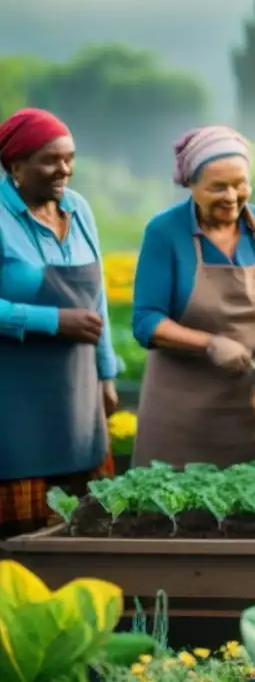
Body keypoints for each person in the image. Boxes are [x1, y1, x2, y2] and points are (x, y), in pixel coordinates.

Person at [131, 125, 255, 469]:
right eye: (218, 187)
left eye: (240, 184)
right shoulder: (165, 232)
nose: (232, 196)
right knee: (180, 513)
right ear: (192, 186)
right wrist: (210, 344)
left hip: (254, 405)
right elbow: (146, 322)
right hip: (182, 415)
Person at [0, 108, 120, 539]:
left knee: (82, 526)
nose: (64, 170)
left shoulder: (79, 208)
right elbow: (69, 314)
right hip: (13, 399)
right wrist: (51, 320)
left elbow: (98, 296)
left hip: (76, 393)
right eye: (50, 160)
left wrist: (106, 372)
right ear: (16, 165)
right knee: (20, 539)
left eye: (69, 158)